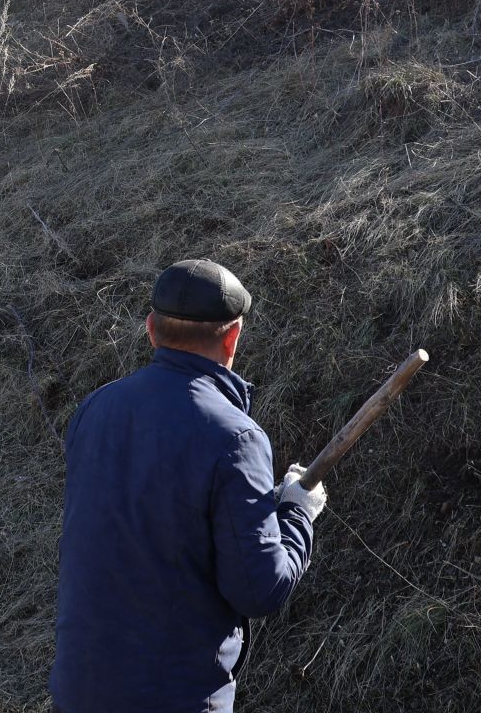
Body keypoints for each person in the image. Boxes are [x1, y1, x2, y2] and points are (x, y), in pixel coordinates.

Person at [50, 259, 327, 713]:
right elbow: (258, 590)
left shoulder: (94, 409)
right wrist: (297, 511)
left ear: (151, 330)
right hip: (175, 697)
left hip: (79, 688)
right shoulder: (237, 438)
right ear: (233, 336)